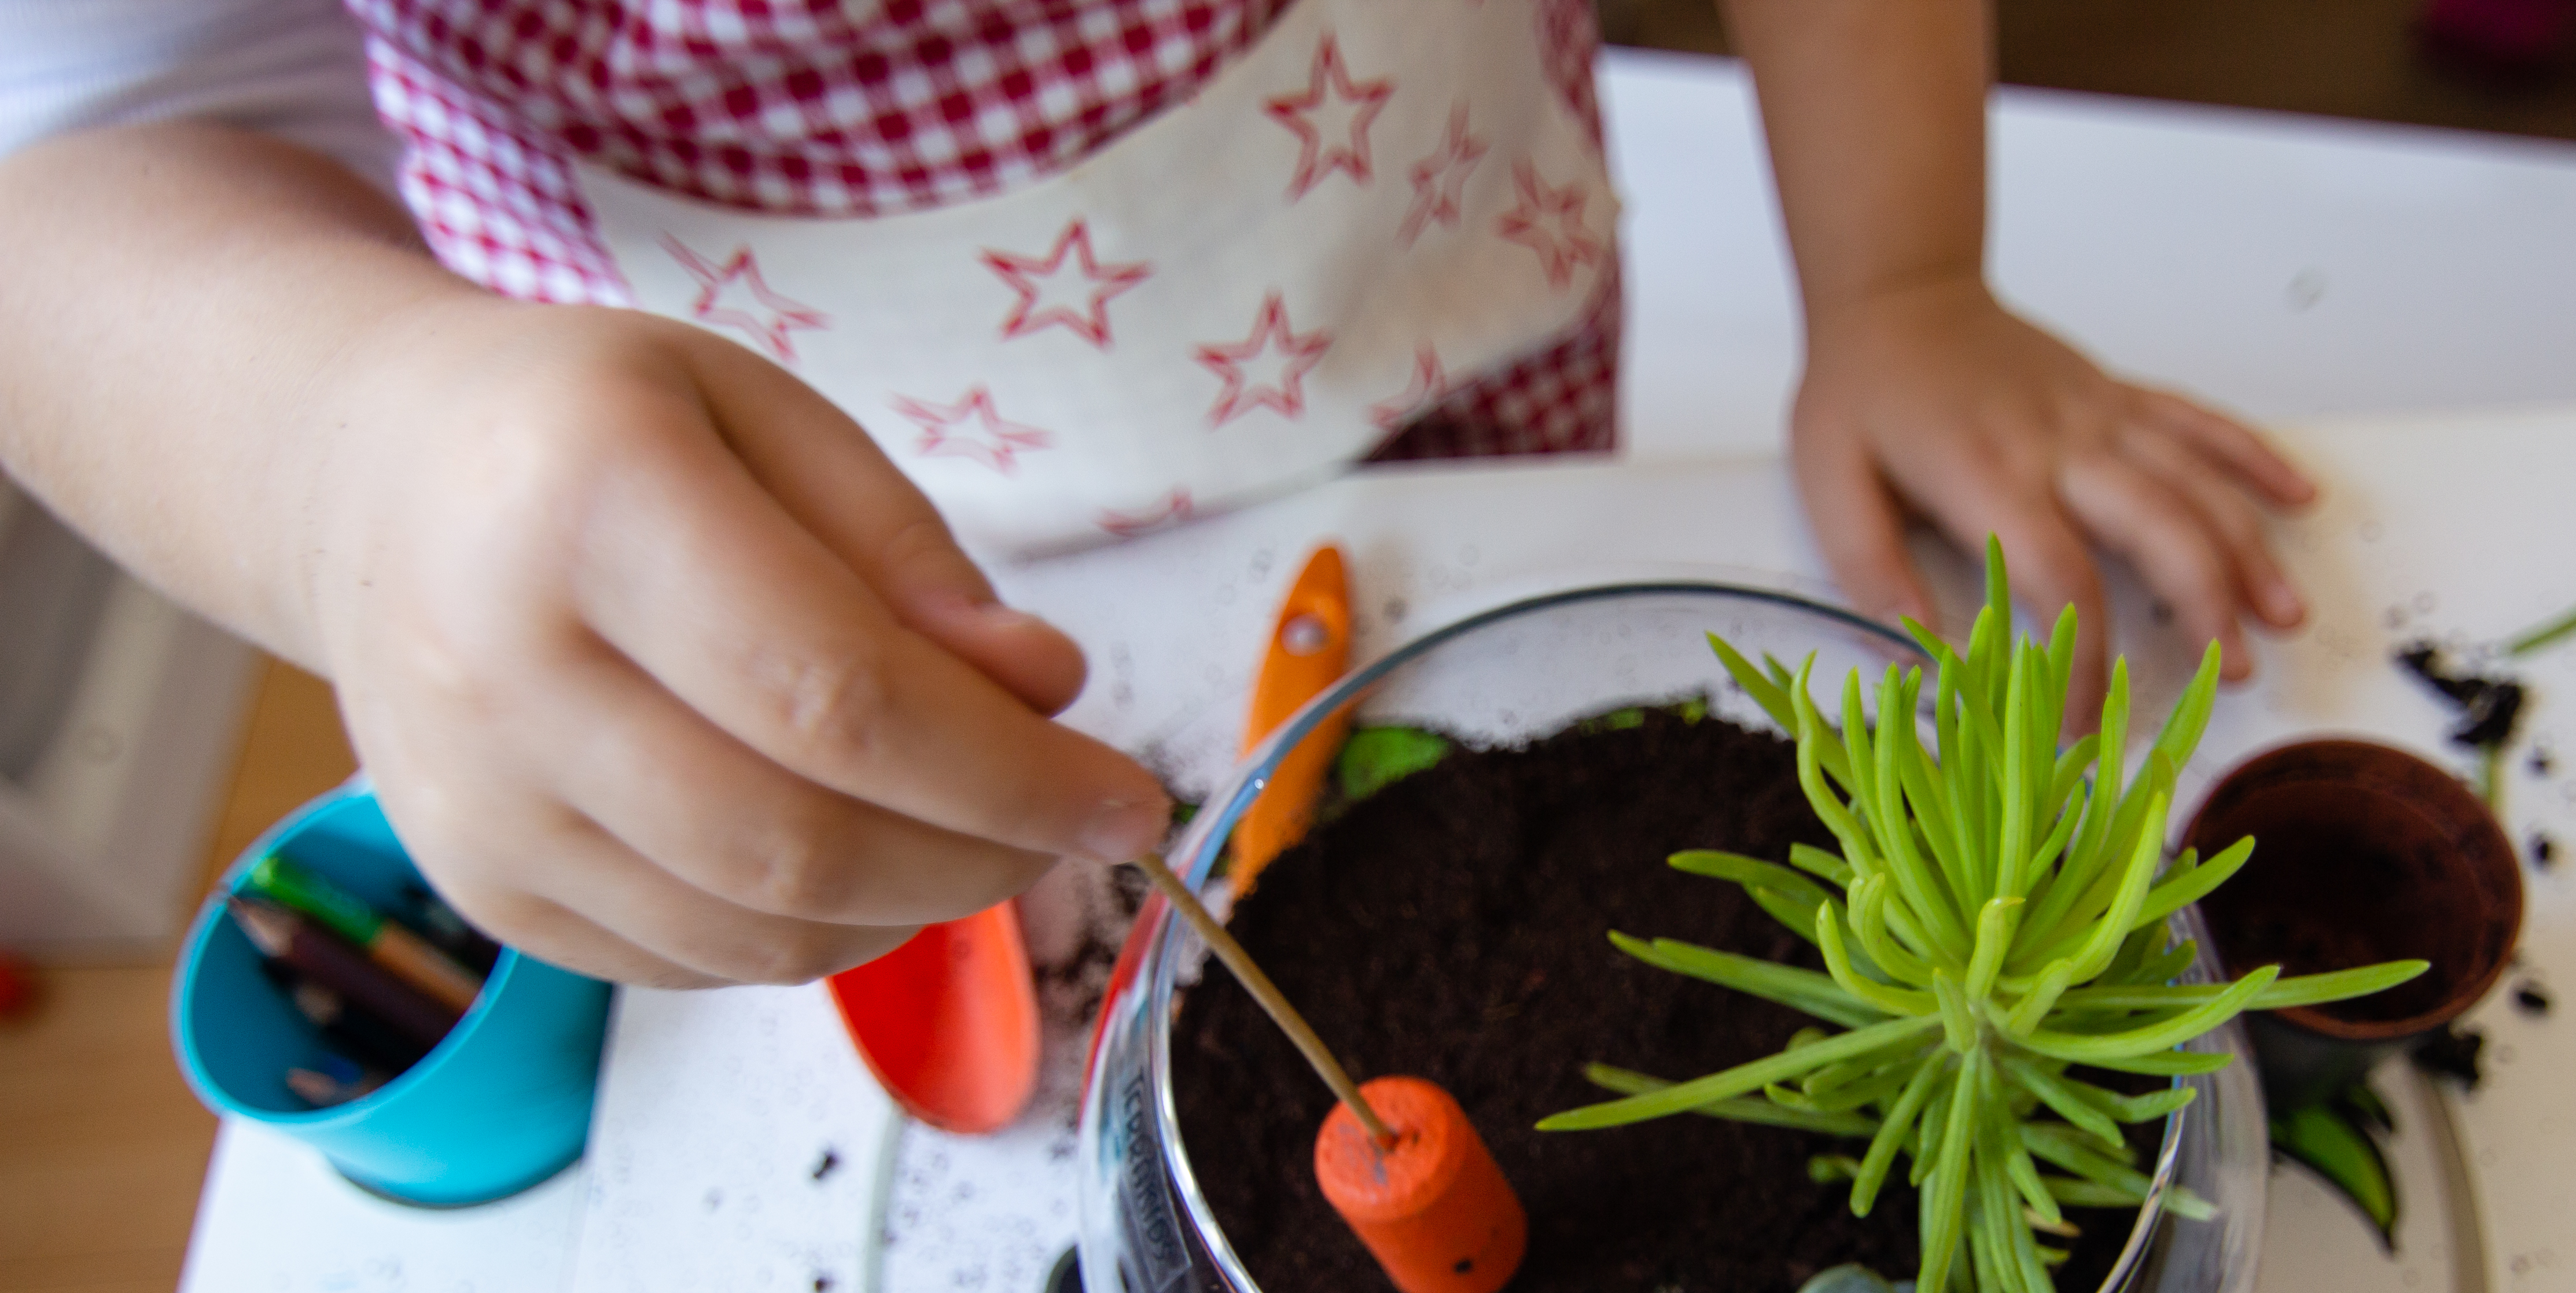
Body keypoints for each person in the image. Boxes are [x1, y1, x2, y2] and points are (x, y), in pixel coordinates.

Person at [0, 0, 2314, 990]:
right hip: (778, 536)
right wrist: (356, 463)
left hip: (1452, 322)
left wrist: (1900, 269)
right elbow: (87, 141)